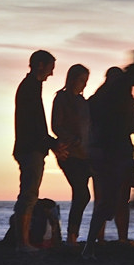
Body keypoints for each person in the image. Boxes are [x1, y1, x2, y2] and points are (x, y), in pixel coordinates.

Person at [82, 50, 134, 259]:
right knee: (111, 201)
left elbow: (133, 124)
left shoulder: (120, 89)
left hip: (118, 151)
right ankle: (90, 246)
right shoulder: (119, 88)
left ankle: (94, 241)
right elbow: (130, 124)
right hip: (113, 153)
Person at [13, 50, 68, 252]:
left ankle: (24, 241)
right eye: (50, 69)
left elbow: (37, 126)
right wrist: (51, 144)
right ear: (40, 65)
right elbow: (34, 125)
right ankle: (23, 243)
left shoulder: (31, 87)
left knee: (29, 193)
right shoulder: (29, 88)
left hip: (31, 147)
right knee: (28, 194)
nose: (51, 74)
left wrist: (50, 144)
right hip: (30, 148)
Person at [51, 64, 91, 245]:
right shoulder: (61, 98)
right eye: (82, 80)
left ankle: (73, 236)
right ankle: (71, 236)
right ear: (73, 79)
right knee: (82, 193)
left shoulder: (84, 103)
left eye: (86, 81)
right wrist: (72, 139)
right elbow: (56, 125)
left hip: (85, 154)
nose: (83, 84)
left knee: (81, 194)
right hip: (69, 153)